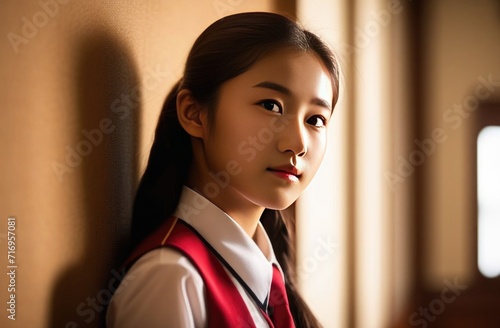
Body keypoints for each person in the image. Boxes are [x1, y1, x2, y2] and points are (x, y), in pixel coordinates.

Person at [106, 11, 340, 328]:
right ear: (194, 114)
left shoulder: (268, 276)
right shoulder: (171, 278)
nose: (297, 143)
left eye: (315, 119)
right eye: (271, 105)